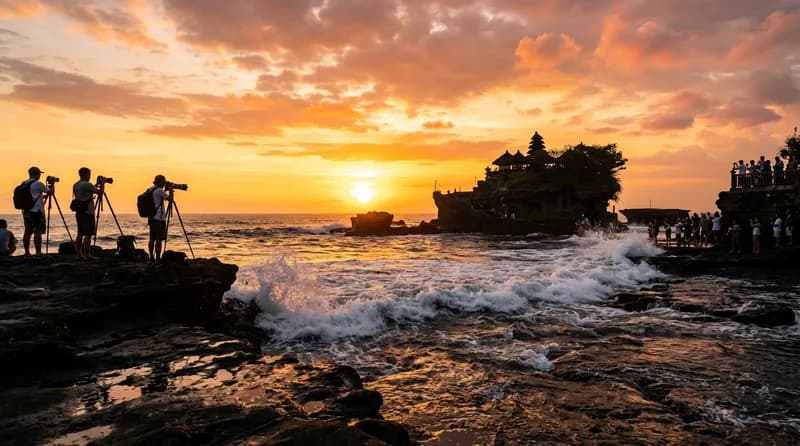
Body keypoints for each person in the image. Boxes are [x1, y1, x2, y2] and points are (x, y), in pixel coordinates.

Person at [72, 167, 102, 260]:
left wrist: (96, 184)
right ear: (85, 174)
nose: (90, 176)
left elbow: (88, 190)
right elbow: (100, 193)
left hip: (79, 212)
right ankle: (87, 255)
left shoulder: (76, 184)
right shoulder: (87, 184)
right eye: (89, 174)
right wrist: (103, 184)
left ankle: (79, 255)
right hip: (88, 212)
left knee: (80, 234)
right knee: (88, 234)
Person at [20, 166, 49, 256]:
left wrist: (41, 197)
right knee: (38, 232)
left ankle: (27, 252)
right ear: (36, 174)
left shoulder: (24, 183)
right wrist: (52, 184)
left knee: (27, 232)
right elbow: (50, 192)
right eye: (39, 174)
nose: (40, 175)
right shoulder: (38, 183)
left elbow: (32, 196)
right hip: (37, 211)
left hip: (26, 211)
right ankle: (38, 252)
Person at [147, 175, 171, 262]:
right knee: (159, 239)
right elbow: (170, 199)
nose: (165, 184)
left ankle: (151, 257)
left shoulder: (151, 189)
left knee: (152, 238)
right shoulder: (160, 191)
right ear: (161, 182)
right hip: (159, 218)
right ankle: (157, 258)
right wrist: (171, 190)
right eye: (164, 182)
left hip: (151, 217)